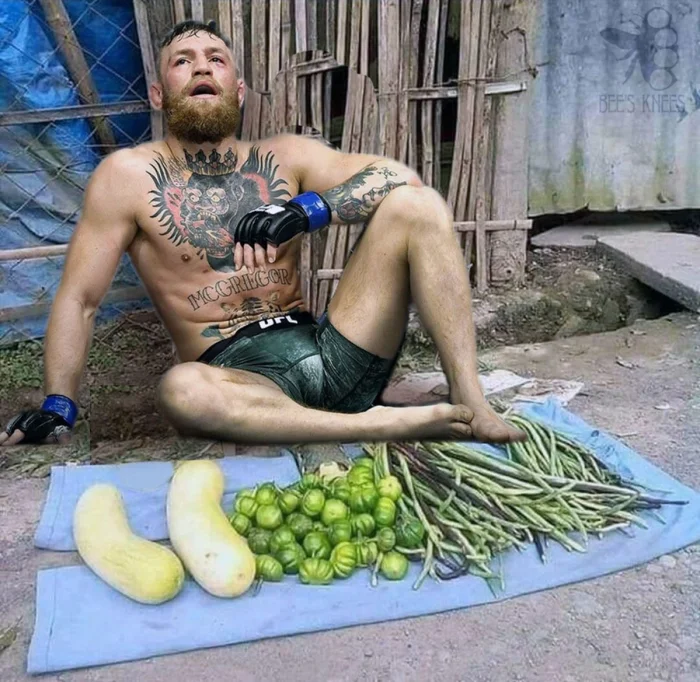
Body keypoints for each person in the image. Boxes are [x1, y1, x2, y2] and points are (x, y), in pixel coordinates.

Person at [0, 20, 525, 448]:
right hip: (241, 379)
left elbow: (398, 177)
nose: (201, 66)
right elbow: (80, 298)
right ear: (159, 94)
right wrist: (58, 404)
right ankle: (380, 425)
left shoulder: (285, 156)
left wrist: (309, 209)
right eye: (183, 61)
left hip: (333, 352)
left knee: (418, 204)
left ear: (238, 90)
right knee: (181, 389)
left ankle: (470, 399)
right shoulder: (126, 176)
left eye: (216, 59)